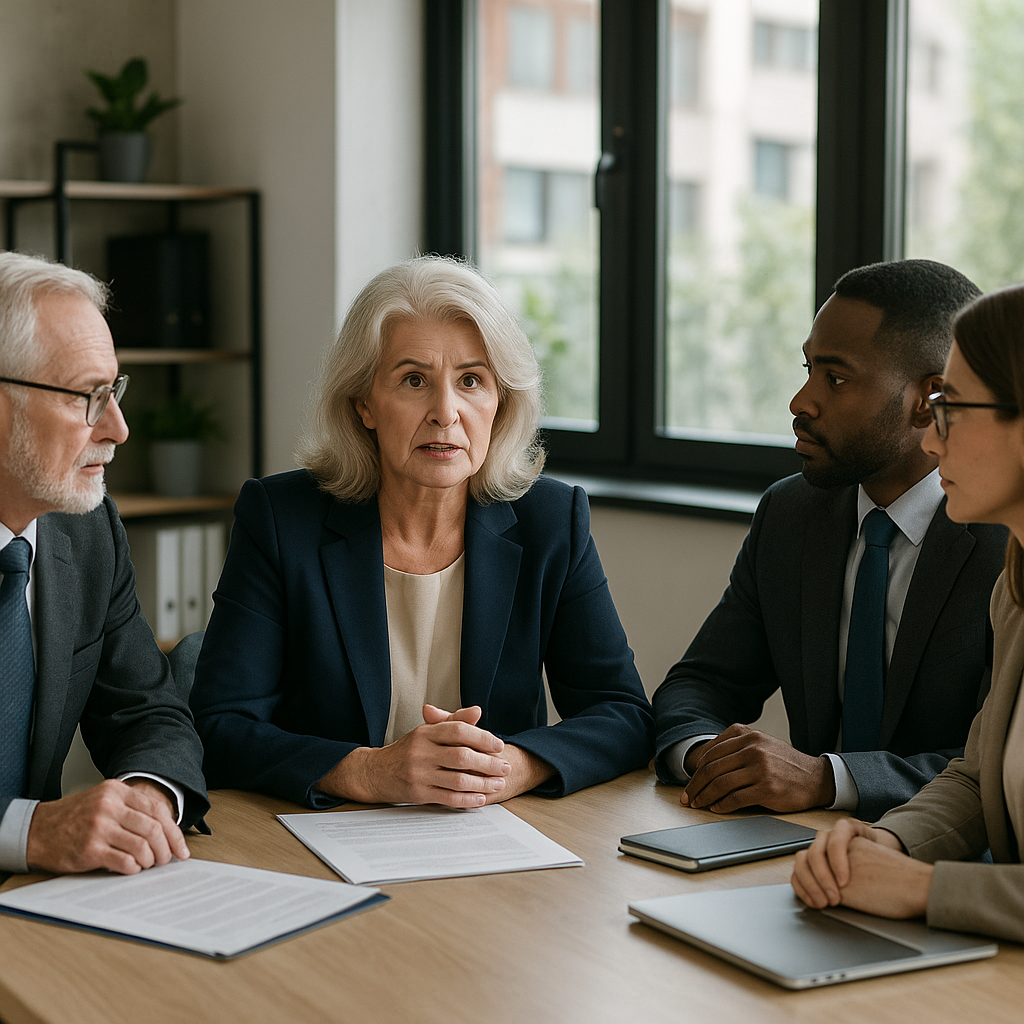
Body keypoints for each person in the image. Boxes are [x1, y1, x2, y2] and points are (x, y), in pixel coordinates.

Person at [190, 256, 654, 808]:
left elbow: (624, 714)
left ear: (499, 402)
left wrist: (512, 766)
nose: (445, 411)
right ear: (364, 402)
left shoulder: (552, 521)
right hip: (320, 839)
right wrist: (366, 772)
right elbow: (217, 726)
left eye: (471, 381)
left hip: (492, 844)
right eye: (414, 380)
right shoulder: (280, 518)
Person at [653, 260, 1007, 821]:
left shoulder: (1006, 541)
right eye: (808, 368)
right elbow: (703, 683)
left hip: (950, 868)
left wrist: (829, 779)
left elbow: (998, 768)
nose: (801, 401)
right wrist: (709, 757)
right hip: (804, 847)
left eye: (835, 378)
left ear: (929, 400)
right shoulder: (791, 513)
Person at [792, 284, 1024, 943]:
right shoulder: (1016, 589)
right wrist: (886, 844)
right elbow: (978, 775)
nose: (930, 440)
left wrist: (925, 889)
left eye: (951, 409)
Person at [0, 251, 209, 876]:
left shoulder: (88, 533)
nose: (118, 428)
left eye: (113, 391)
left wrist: (147, 796)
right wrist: (28, 832)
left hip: (39, 912)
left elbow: (147, 710)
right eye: (87, 397)